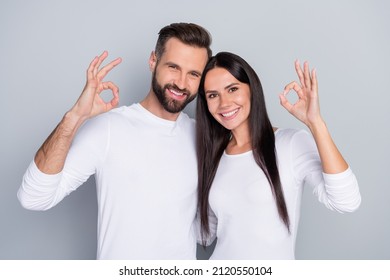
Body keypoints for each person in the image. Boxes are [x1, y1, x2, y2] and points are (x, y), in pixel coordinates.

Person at [17, 23, 212, 259]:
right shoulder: (109, 127)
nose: (181, 83)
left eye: (194, 74)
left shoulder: (202, 137)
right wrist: (74, 118)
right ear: (153, 61)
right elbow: (33, 198)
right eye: (173, 67)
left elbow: (206, 233)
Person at [196, 52, 361, 259]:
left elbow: (346, 201)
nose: (224, 103)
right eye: (213, 95)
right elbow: (205, 234)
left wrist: (315, 123)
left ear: (252, 90)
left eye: (233, 89)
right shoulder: (214, 156)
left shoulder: (289, 143)